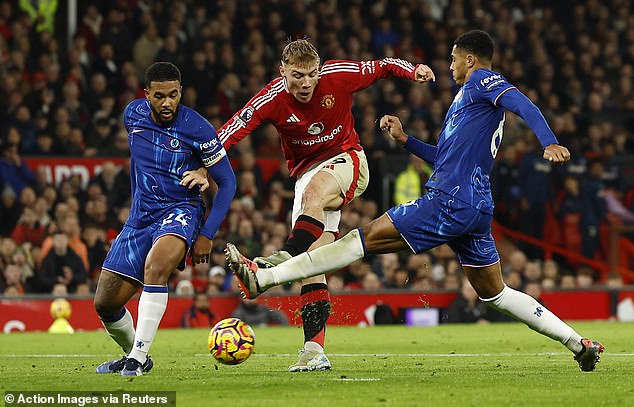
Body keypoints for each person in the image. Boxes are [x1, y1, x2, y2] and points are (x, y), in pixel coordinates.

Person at [227, 31, 604, 372]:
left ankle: (266, 277)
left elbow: (523, 103)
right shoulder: (469, 102)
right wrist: (405, 140)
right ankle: (578, 342)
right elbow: (446, 157)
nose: (450, 65)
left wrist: (548, 140)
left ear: (469, 59)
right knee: (496, 293)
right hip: (475, 206)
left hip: (450, 200)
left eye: (454, 58)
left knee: (359, 240)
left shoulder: (482, 82)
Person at [218, 38, 435, 372]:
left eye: (311, 75)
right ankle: (313, 351)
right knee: (314, 264)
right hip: (305, 177)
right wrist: (205, 162)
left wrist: (413, 69)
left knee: (314, 196)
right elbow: (236, 126)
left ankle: (271, 265)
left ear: (319, 70)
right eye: (297, 76)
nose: (306, 84)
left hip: (347, 159)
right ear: (283, 72)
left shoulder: (338, 75)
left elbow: (380, 66)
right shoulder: (272, 98)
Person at [93, 62, 236, 376]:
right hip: (140, 217)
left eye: (173, 95)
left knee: (156, 267)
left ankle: (137, 359)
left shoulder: (198, 128)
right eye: (159, 96)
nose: (167, 102)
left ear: (181, 92)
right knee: (105, 303)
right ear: (147, 94)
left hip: (181, 212)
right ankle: (135, 353)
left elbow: (227, 182)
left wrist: (207, 233)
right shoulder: (132, 116)